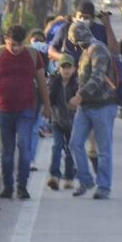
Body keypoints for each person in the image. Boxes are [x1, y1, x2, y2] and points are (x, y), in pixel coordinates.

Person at [0, 25, 50, 199]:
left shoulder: (33, 55)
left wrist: (48, 106)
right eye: (12, 44)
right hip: (4, 109)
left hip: (26, 109)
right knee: (7, 150)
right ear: (6, 40)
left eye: (20, 44)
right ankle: (8, 186)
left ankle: (22, 185)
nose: (16, 48)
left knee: (24, 146)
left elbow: (42, 82)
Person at [66, 20, 118, 199]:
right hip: (86, 107)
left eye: (74, 40)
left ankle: (104, 187)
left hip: (103, 105)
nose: (74, 44)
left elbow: (97, 79)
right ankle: (86, 180)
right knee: (75, 143)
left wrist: (78, 96)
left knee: (104, 150)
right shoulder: (85, 51)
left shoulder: (98, 49)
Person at [48, 2, 118, 63]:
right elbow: (51, 50)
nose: (82, 20)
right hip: (69, 69)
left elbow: (114, 51)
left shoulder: (100, 30)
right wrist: (63, 57)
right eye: (80, 16)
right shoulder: (66, 28)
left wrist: (107, 25)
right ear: (75, 17)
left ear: (92, 19)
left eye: (86, 18)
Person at [47, 54, 78, 191]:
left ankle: (69, 177)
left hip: (73, 123)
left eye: (69, 67)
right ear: (58, 68)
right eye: (63, 66)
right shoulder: (54, 83)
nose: (66, 70)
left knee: (70, 151)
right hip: (57, 121)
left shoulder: (77, 85)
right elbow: (49, 100)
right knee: (56, 147)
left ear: (74, 69)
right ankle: (54, 176)